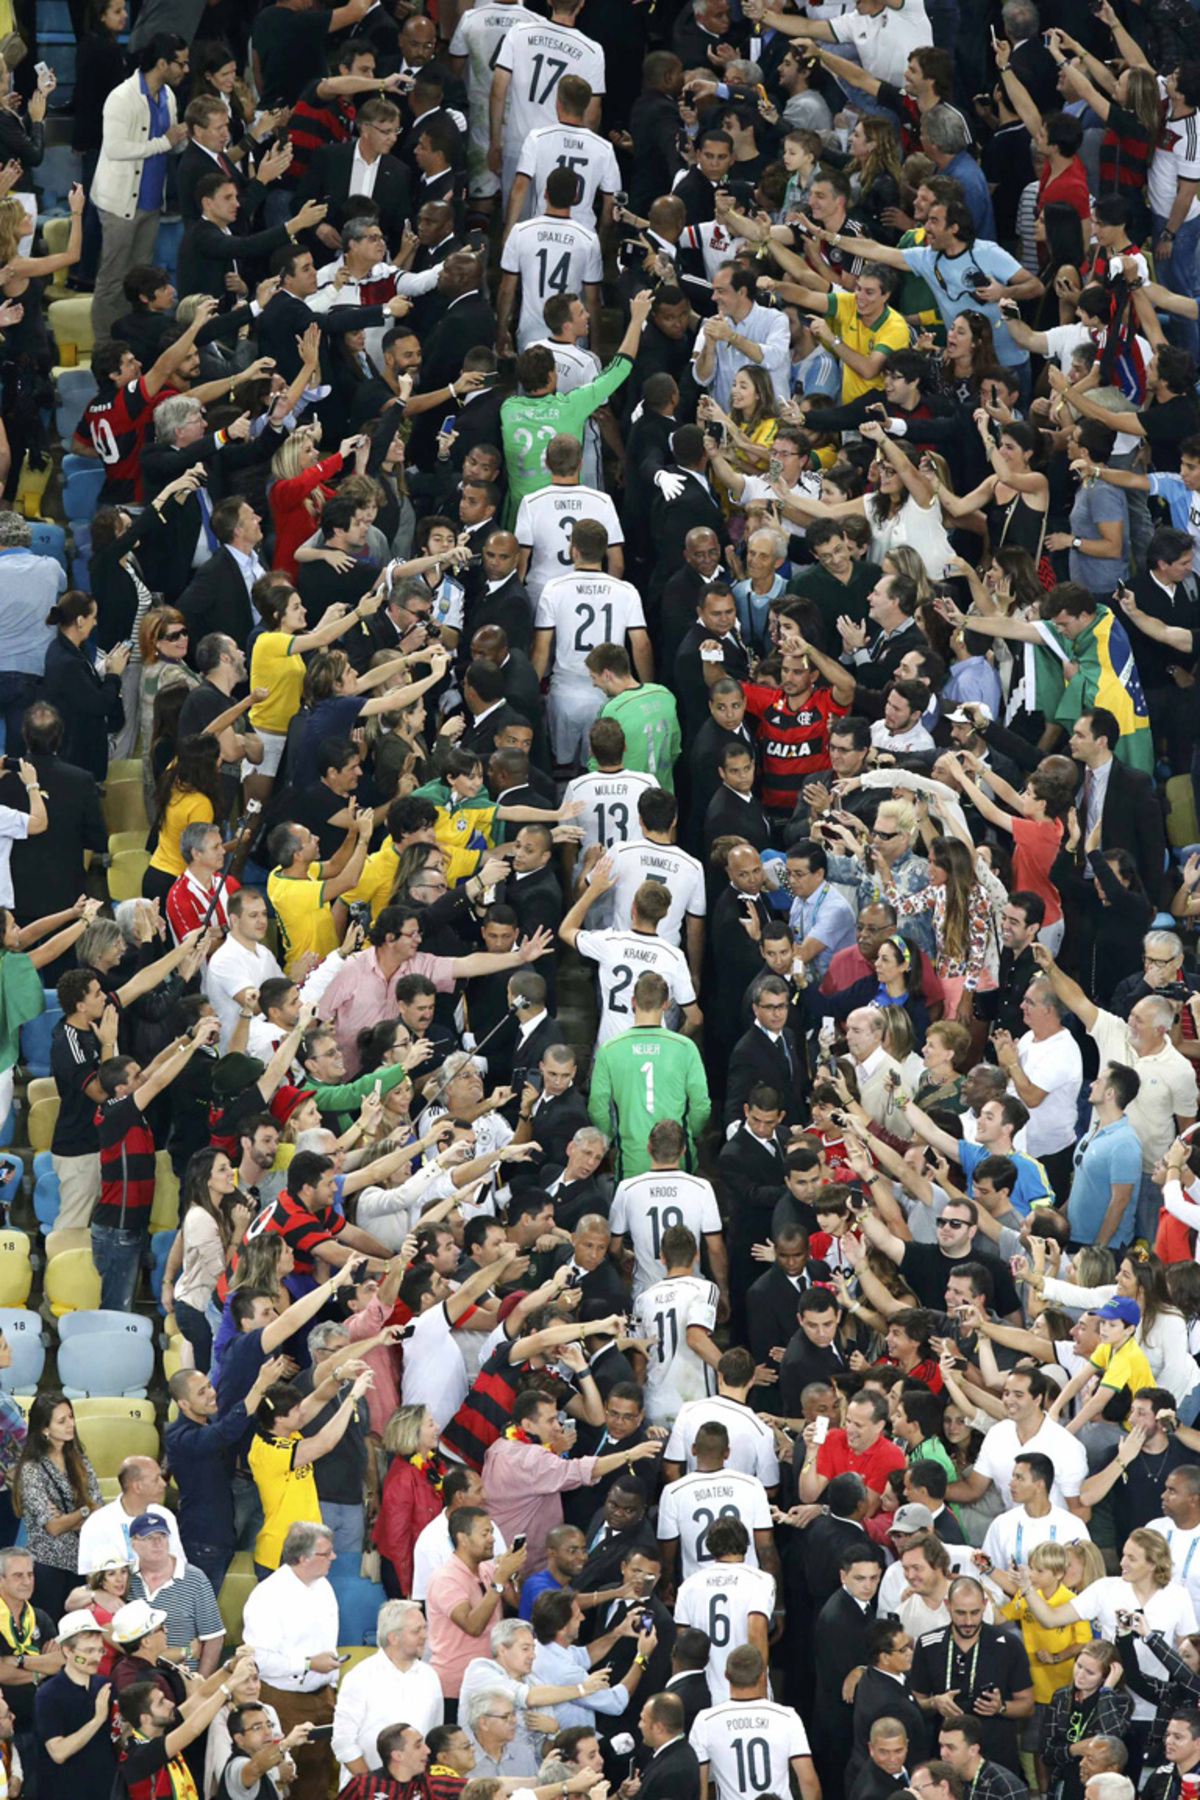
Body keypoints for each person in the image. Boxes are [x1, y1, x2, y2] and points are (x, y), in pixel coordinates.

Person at [241, 1522, 341, 1800]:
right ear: (303, 1558)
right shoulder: (267, 1596)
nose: (333, 1557)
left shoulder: (325, 1588)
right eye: (326, 1553)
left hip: (323, 1697)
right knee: (280, 1781)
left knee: (316, 1780)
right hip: (284, 1702)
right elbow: (258, 1658)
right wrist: (308, 1663)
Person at [331, 1601, 444, 1783]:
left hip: (416, 1789)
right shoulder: (360, 1677)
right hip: (366, 1790)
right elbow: (343, 1743)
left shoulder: (430, 1676)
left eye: (425, 1628)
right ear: (393, 1637)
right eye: (416, 1631)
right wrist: (376, 1788)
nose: (425, 1635)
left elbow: (434, 1735)